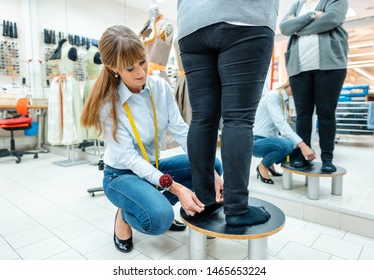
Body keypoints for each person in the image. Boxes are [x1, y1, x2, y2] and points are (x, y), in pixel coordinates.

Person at [80, 25, 223, 253]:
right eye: (130, 68)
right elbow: (129, 159)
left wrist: (210, 173)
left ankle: (172, 206)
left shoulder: (160, 88)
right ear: (113, 68)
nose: (141, 72)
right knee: (158, 220)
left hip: (150, 166)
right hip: (121, 175)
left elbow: (181, 131)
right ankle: (126, 215)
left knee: (212, 165)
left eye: (142, 62)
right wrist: (176, 188)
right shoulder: (108, 105)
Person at [177, 0, 279, 226]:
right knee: (238, 120)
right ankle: (237, 209)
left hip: (192, 23)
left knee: (202, 119)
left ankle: (204, 200)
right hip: (244, 15)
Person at [279, 0, 349, 172]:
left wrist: (298, 28)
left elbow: (331, 19)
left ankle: (327, 158)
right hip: (298, 67)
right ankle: (304, 156)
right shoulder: (298, 4)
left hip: (330, 65)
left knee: (326, 114)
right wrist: (311, 15)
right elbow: (284, 28)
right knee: (303, 115)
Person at [253, 80, 316, 184]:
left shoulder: (285, 101)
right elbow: (281, 124)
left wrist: (304, 147)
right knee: (287, 146)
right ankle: (263, 166)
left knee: (302, 152)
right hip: (256, 141)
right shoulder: (273, 96)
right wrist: (302, 145)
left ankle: (270, 164)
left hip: (269, 140)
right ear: (291, 84)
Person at [47, 38, 84, 146]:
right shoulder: (56, 50)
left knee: (70, 111)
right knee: (56, 112)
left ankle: (71, 138)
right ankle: (58, 138)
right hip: (55, 85)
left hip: (68, 84)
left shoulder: (71, 49)